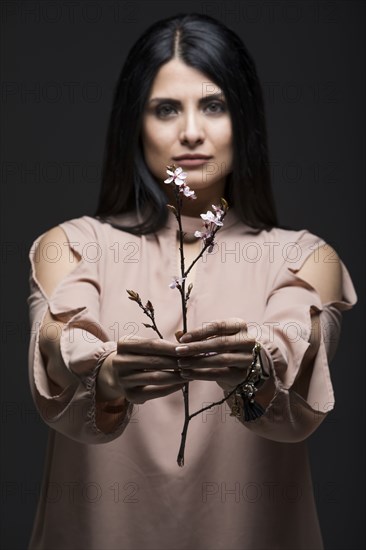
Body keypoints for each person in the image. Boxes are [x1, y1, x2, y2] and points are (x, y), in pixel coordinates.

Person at [27, 13, 357, 550]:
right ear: (134, 123)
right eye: (165, 109)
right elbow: (55, 335)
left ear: (243, 119)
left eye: (213, 105)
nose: (191, 132)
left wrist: (255, 367)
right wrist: (106, 376)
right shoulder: (70, 243)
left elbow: (303, 340)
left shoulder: (305, 256)